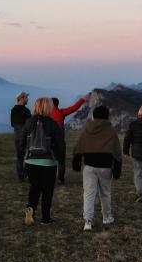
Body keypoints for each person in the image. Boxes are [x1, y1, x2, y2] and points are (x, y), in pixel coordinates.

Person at [72, 105, 122, 231]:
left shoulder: (87, 129)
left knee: (89, 193)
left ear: (94, 116)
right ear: (107, 116)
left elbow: (79, 147)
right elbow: (116, 152)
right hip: (105, 167)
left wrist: (76, 163)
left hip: (89, 166)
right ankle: (107, 217)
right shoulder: (111, 131)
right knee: (105, 193)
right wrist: (117, 170)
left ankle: (88, 221)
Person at [20, 97, 64, 225]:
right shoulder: (53, 124)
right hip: (48, 163)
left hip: (31, 162)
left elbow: (22, 142)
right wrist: (60, 160)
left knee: (34, 188)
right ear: (48, 108)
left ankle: (31, 210)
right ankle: (45, 218)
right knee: (47, 191)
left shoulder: (28, 122)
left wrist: (24, 156)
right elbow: (60, 144)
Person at [51, 95, 88, 184]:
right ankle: (61, 179)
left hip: (49, 141)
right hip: (60, 141)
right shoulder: (61, 112)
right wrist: (82, 100)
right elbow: (74, 108)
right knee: (61, 161)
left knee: (50, 160)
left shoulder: (46, 114)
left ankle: (50, 178)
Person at [10, 91, 32, 181]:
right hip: (27, 137)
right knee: (29, 156)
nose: (28, 99)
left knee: (20, 157)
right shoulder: (26, 111)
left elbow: (12, 124)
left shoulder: (14, 110)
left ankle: (20, 176)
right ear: (22, 98)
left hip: (18, 137)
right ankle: (26, 174)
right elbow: (30, 123)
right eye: (26, 97)